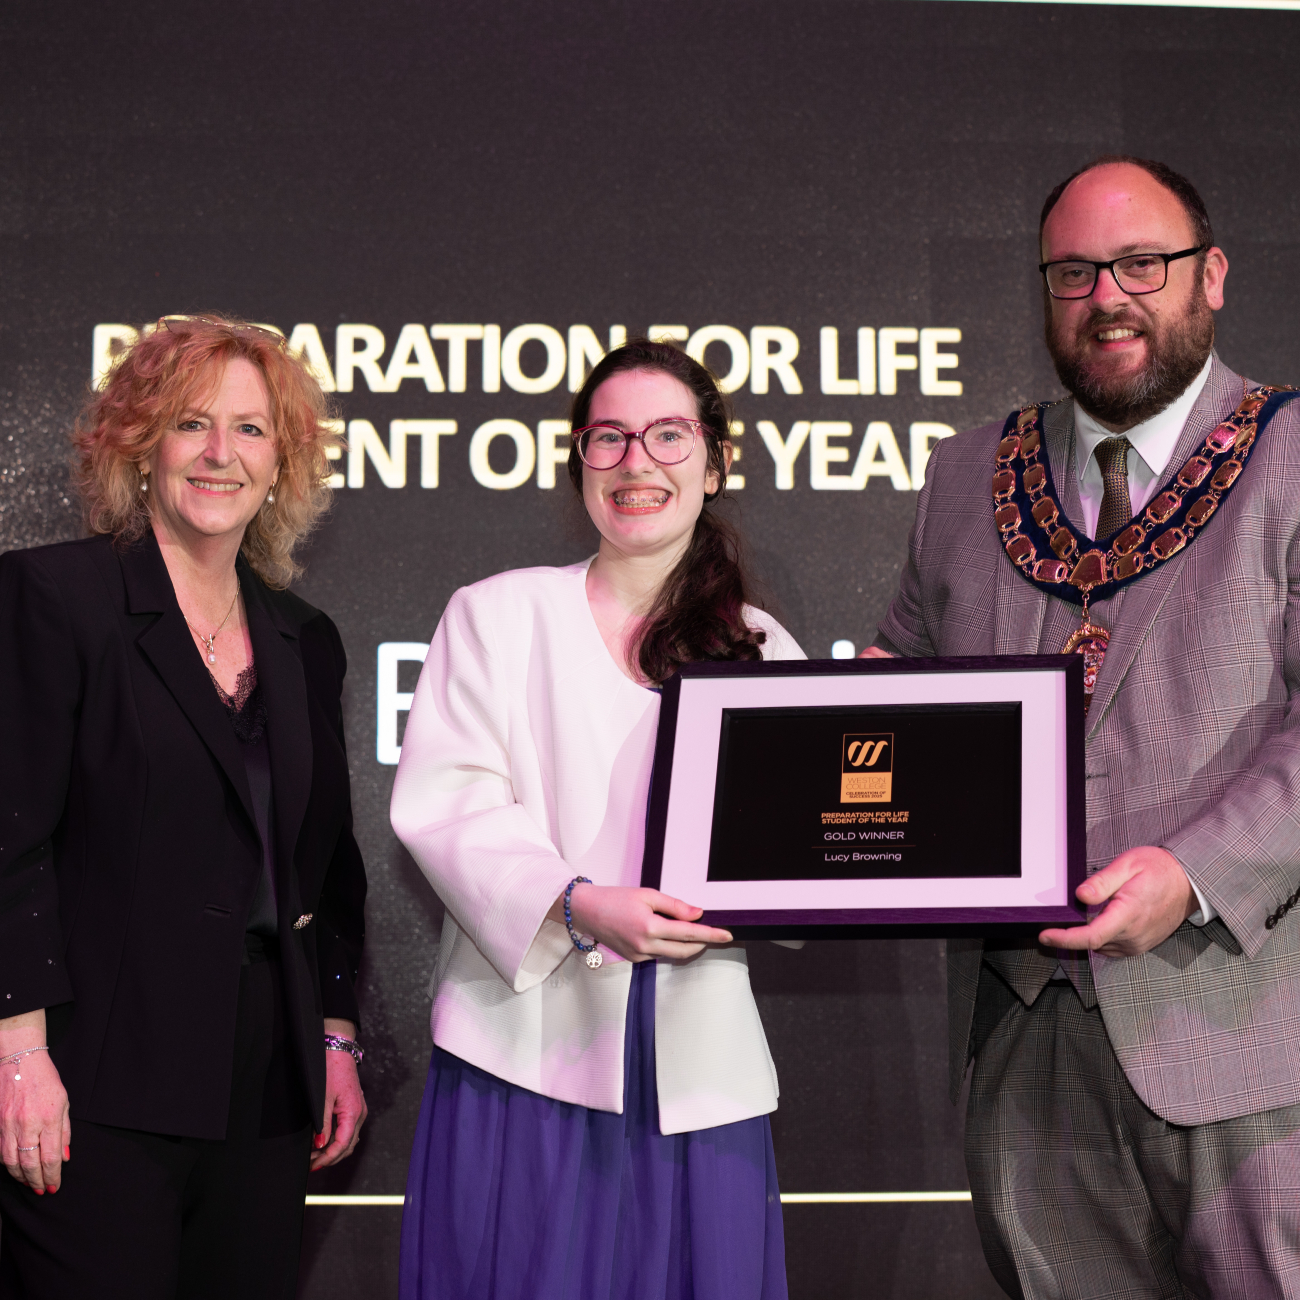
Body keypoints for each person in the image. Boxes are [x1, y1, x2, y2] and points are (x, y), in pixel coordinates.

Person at [869, 155, 1300, 1297]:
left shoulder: (1296, 458)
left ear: (1208, 275)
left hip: (1246, 1037)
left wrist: (1192, 871)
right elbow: (896, 686)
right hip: (1025, 1043)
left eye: (1139, 263)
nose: (1105, 294)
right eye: (1073, 271)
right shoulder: (966, 475)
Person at [391, 339, 803, 1300]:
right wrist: (578, 906)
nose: (636, 463)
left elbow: (793, 852)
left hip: (700, 1069)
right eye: (607, 439)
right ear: (578, 461)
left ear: (715, 461)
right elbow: (447, 805)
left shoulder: (762, 647)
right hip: (524, 1054)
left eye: (668, 435)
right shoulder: (496, 616)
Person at [0, 315, 369, 1300]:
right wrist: (18, 1050)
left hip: (267, 1081)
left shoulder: (303, 634)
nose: (220, 454)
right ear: (137, 443)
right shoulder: (53, 598)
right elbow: (10, 842)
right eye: (191, 423)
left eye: (251, 431)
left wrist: (332, 1031)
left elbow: (326, 860)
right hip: (95, 1074)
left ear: (281, 462)